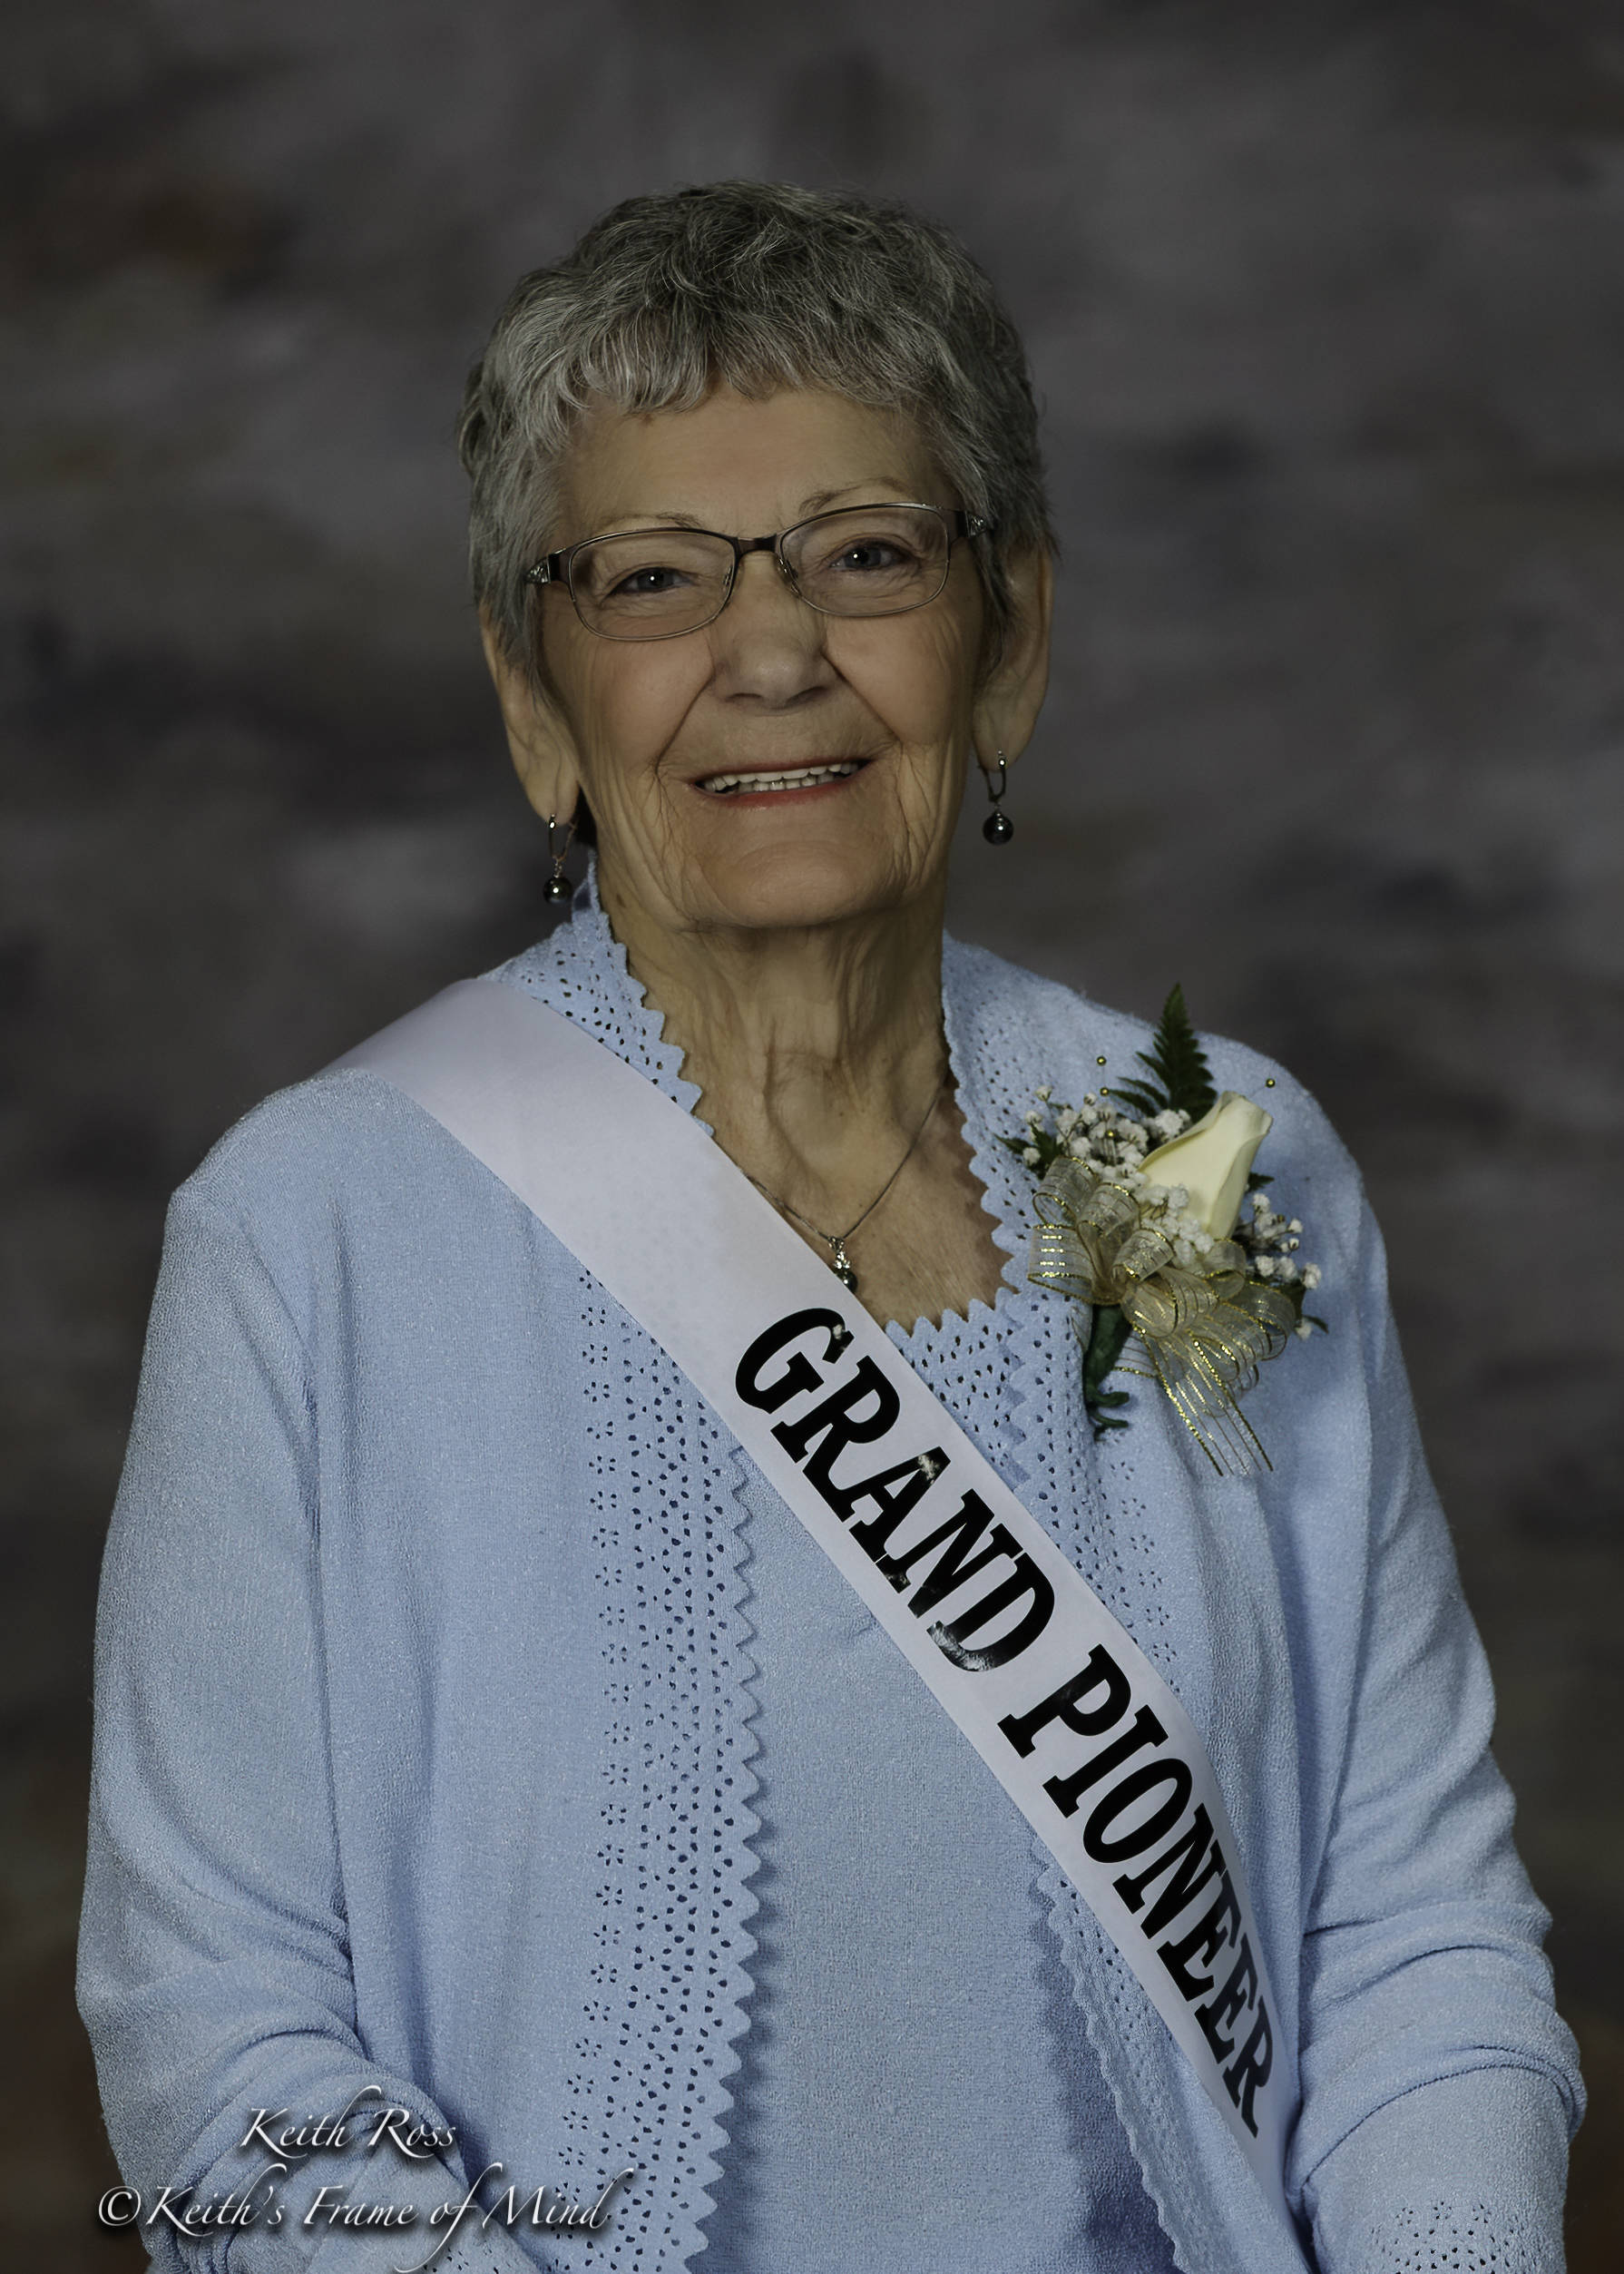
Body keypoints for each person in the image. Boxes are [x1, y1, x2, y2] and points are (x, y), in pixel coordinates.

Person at [79, 181, 1582, 2274]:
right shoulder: (315, 1232)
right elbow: (215, 2035)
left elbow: (1406, 1912)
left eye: (866, 556)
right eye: (655, 578)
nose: (771, 652)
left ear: (1011, 641)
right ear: (535, 696)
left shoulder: (1204, 1158)